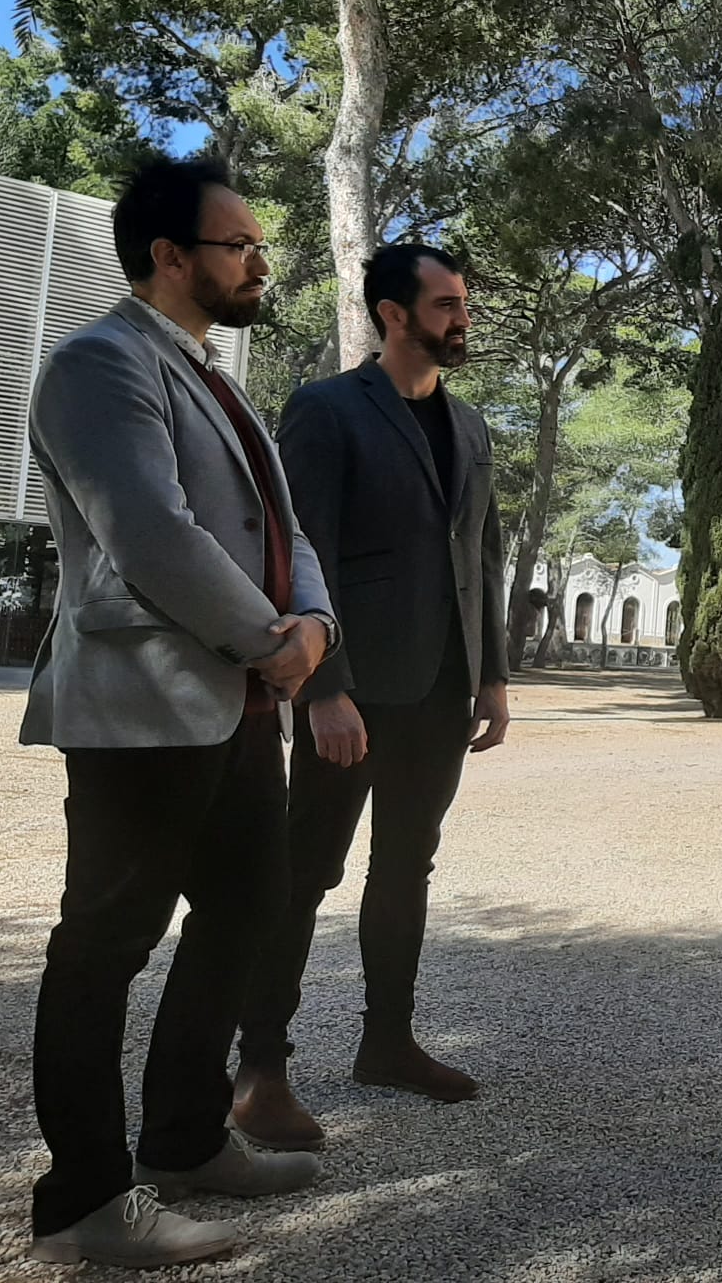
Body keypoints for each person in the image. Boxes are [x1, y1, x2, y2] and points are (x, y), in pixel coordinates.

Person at [20, 154, 337, 1268]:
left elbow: (285, 534)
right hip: (147, 708)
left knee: (250, 911)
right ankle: (83, 1207)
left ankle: (187, 1139)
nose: (258, 262)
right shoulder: (98, 366)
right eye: (239, 245)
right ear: (168, 256)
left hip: (240, 706)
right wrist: (272, 639)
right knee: (105, 947)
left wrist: (315, 628)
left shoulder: (211, 374)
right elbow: (152, 536)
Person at [232, 243, 510, 1151]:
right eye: (444, 303)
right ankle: (260, 1070)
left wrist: (493, 676)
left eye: (462, 302)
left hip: (441, 689)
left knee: (407, 867)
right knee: (304, 870)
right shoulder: (325, 411)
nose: (460, 317)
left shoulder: (468, 425)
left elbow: (482, 560)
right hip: (351, 693)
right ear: (393, 313)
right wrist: (323, 692)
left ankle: (387, 1042)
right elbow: (299, 554)